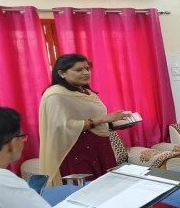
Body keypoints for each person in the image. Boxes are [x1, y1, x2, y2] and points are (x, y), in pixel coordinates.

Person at [39, 54, 131, 187]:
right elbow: (61, 127)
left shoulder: (86, 92)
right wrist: (103, 119)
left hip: (100, 146)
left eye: (87, 69)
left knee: (109, 188)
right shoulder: (55, 94)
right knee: (88, 190)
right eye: (79, 70)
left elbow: (93, 119)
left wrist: (114, 123)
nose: (86, 73)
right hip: (77, 149)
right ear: (62, 73)